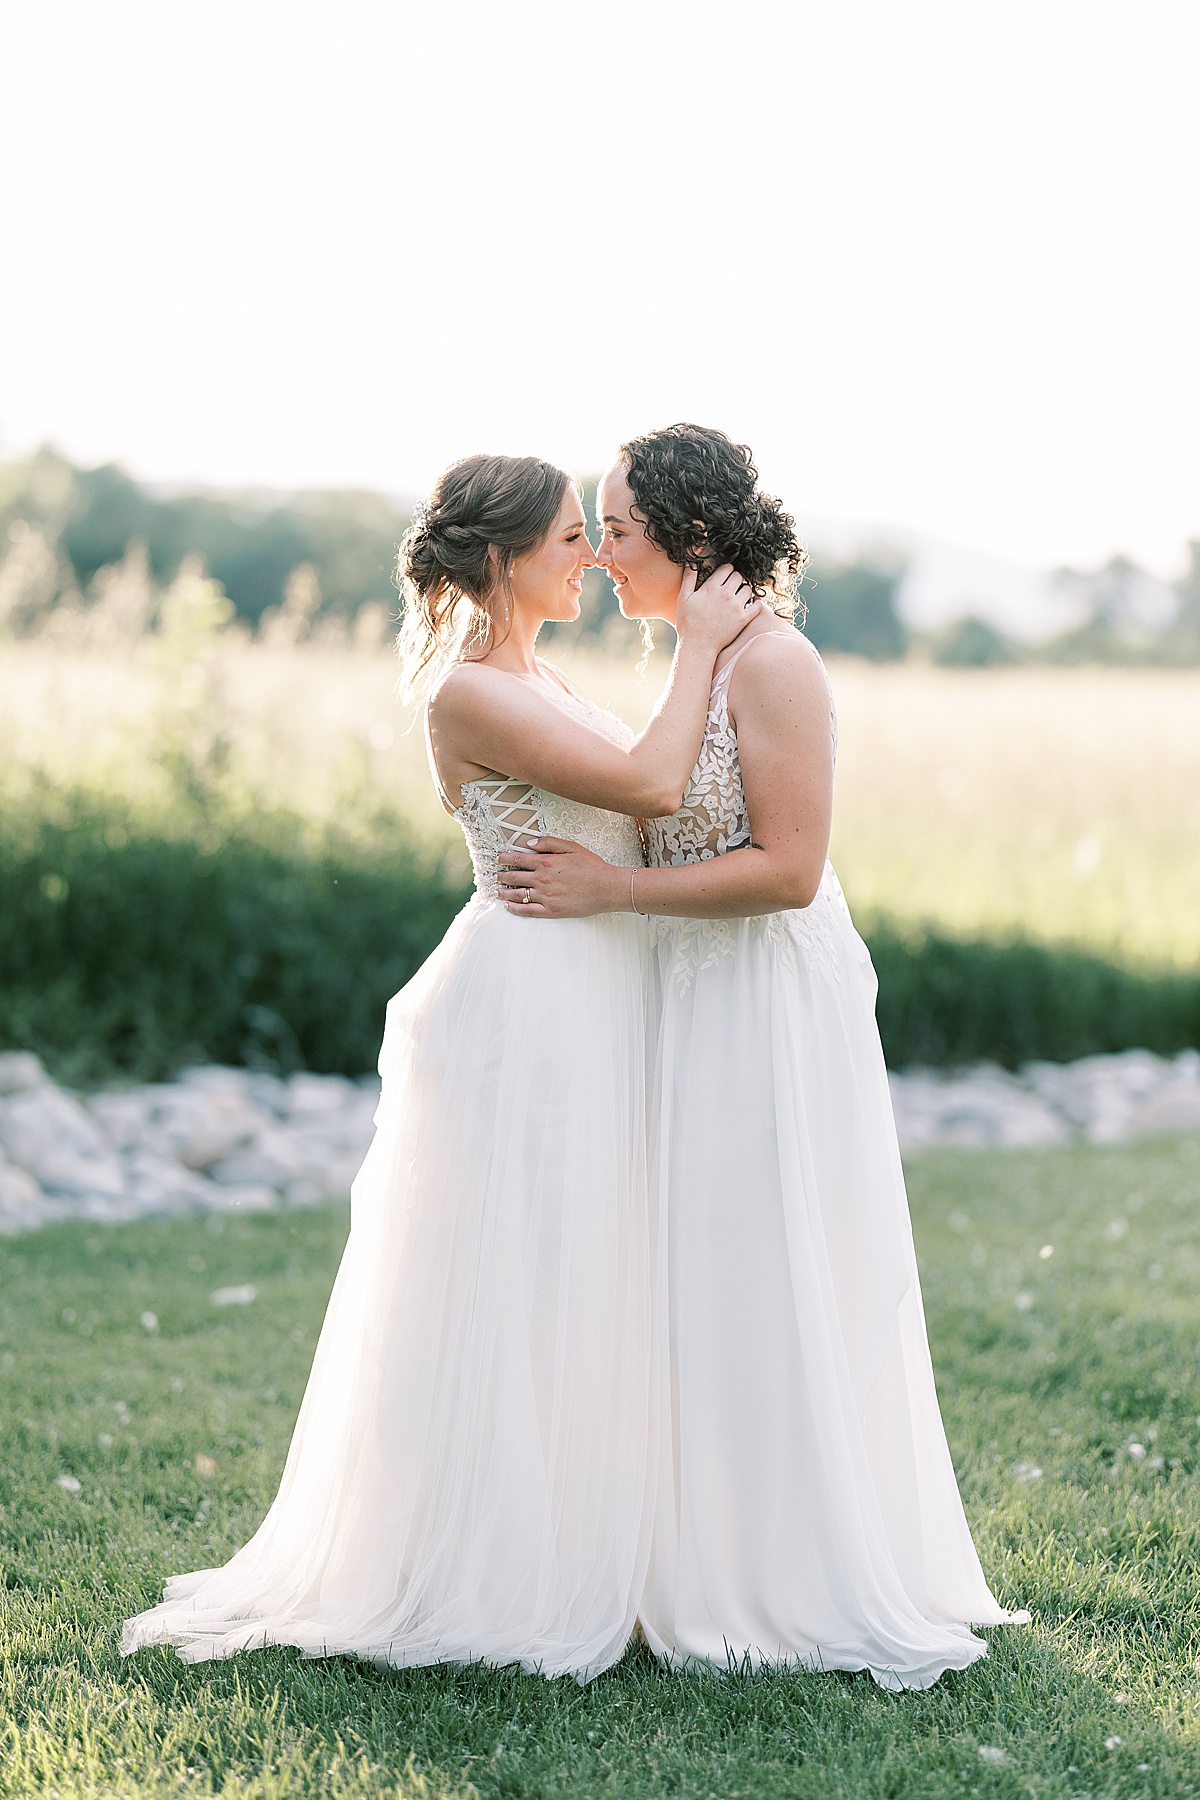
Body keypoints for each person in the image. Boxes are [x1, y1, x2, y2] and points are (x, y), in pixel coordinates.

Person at [122, 451, 757, 1680]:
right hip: (527, 1004)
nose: (592, 554)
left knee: (589, 1272)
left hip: (592, 986)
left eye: (593, 533)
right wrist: (702, 650)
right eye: (571, 538)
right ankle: (497, 1567)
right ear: (502, 559)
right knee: (520, 1274)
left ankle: (595, 1549)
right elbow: (650, 780)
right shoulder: (466, 693)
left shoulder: (538, 672)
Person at [497, 424, 1028, 1690]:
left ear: (686, 536)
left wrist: (608, 899)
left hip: (768, 997)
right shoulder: (702, 655)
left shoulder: (776, 664)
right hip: (693, 985)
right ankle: (684, 1558)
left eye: (618, 530)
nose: (605, 554)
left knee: (761, 1263)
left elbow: (788, 871)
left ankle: (779, 1576)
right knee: (692, 1276)